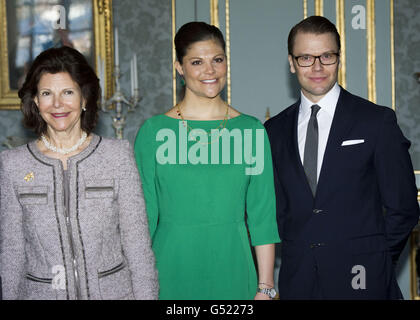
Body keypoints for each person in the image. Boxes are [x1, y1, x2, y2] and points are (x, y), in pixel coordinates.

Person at [264, 15, 420, 299]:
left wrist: (377, 260)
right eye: (306, 58)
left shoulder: (376, 121)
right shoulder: (273, 131)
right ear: (291, 63)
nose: (317, 67)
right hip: (299, 283)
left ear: (339, 58)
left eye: (327, 56)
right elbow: (276, 212)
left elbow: (404, 207)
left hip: (365, 281)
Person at [134, 21, 280, 300]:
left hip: (234, 270)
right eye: (197, 62)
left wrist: (266, 287)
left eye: (217, 60)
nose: (209, 71)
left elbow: (263, 216)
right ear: (179, 68)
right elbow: (143, 219)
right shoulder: (153, 132)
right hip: (169, 270)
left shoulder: (251, 130)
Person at [0, 46, 158, 300]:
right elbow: (12, 254)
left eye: (68, 92)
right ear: (36, 101)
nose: (57, 104)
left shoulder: (116, 156)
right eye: (47, 93)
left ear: (84, 98)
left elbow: (137, 247)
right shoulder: (13, 165)